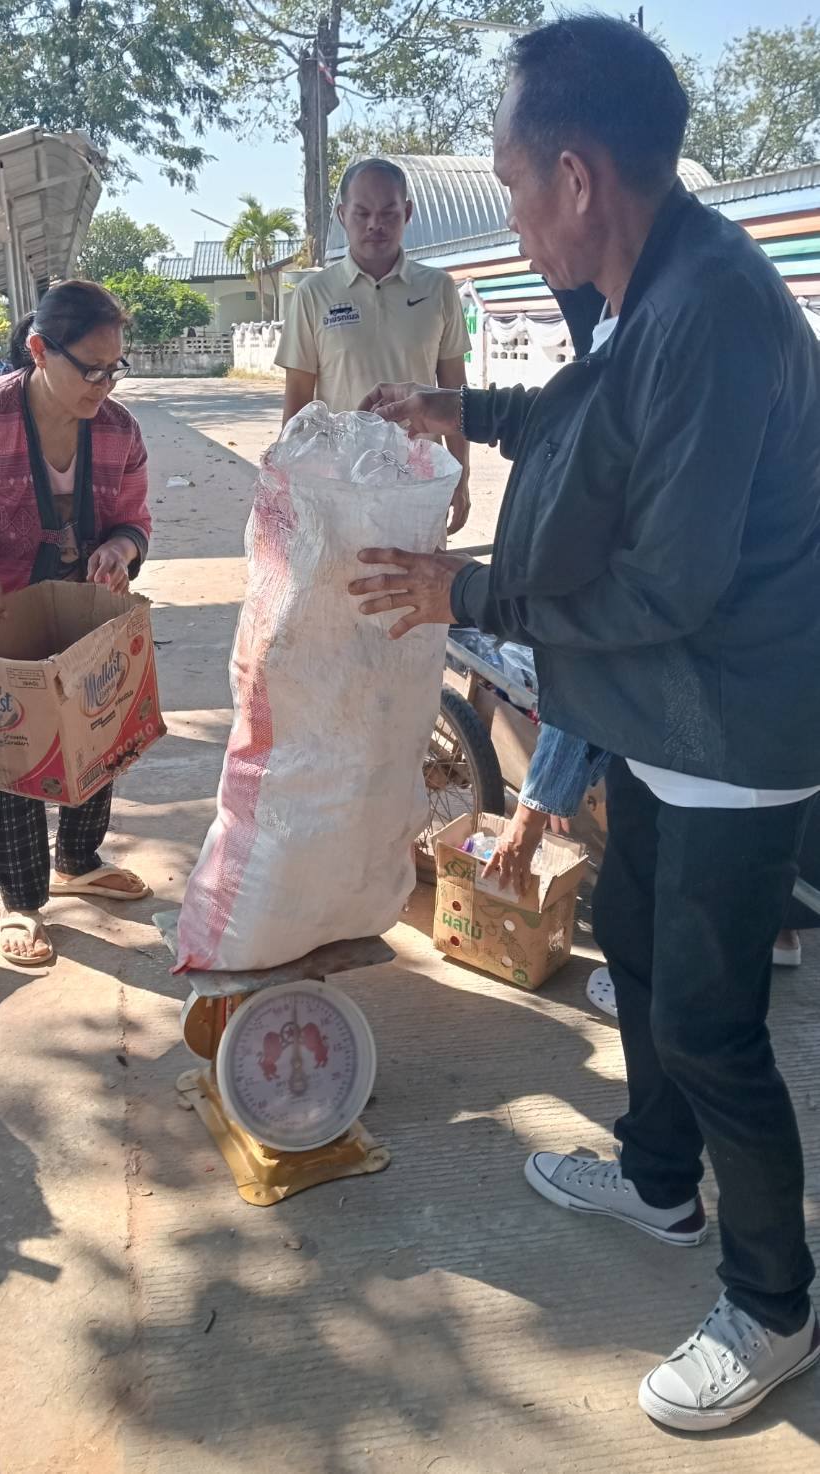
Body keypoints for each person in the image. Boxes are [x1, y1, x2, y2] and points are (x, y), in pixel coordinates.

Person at [349, 15, 820, 1432]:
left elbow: (666, 585)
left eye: (508, 183)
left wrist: (464, 587)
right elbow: (587, 416)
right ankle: (661, 1183)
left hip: (730, 728)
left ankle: (775, 1300)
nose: (507, 214)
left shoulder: (709, 311)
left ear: (573, 176)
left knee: (711, 1024)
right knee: (638, 947)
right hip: (661, 716)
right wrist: (459, 408)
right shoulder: (635, 280)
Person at [0, 280, 153, 969]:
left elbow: (134, 519)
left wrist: (120, 550)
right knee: (11, 755)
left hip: (81, 607)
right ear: (41, 351)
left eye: (115, 369)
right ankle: (21, 901)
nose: (104, 385)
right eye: (91, 369)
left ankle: (79, 860)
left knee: (97, 731)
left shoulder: (118, 430)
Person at [487, 724, 818, 1012]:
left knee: (633, 919)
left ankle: (648, 995)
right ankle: (779, 935)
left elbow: (588, 680)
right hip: (783, 754)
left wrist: (534, 810)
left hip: (678, 752)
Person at [274, 158, 473, 533]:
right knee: (341, 572)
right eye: (362, 213)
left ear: (407, 213)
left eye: (388, 213)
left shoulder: (438, 289)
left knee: (420, 572)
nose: (375, 225)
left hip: (418, 482)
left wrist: (460, 476)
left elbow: (455, 393)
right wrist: (287, 485)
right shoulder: (313, 295)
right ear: (342, 215)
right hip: (339, 486)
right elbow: (297, 406)